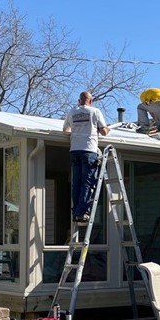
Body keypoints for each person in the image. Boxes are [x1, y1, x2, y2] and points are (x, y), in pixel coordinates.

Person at [63, 91, 109, 222]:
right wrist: (107, 129)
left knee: (76, 182)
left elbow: (65, 130)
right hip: (89, 150)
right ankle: (82, 212)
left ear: (80, 100)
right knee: (87, 183)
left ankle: (76, 211)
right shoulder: (95, 112)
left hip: (74, 150)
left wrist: (78, 130)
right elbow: (104, 132)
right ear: (90, 101)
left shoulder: (72, 112)